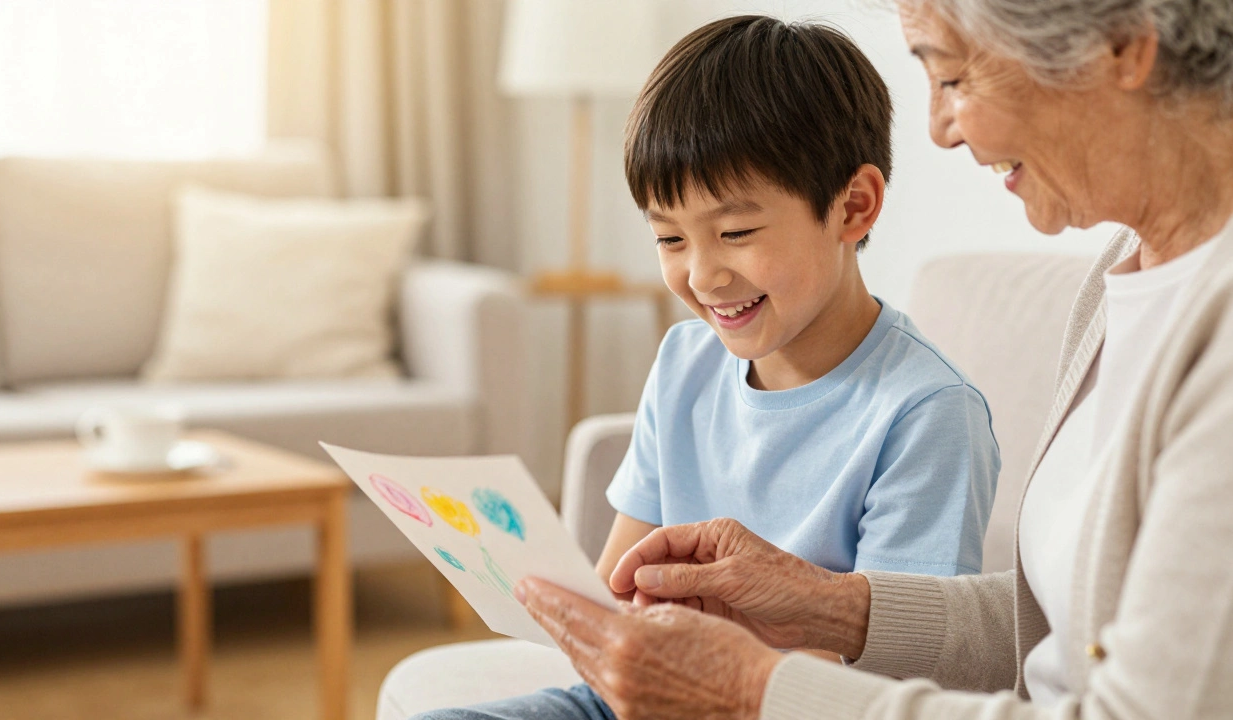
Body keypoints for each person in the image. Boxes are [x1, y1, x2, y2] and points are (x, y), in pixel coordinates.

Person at [516, 0, 1233, 718]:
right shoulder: (1123, 275)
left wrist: (747, 688)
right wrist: (823, 602)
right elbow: (1047, 623)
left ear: (1119, 50)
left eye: (953, 77)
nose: (937, 129)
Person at [417, 14, 1001, 720]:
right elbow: (619, 591)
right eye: (669, 237)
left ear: (853, 206)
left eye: (735, 233)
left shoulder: (926, 414)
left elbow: (895, 676)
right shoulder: (685, 360)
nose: (703, 275)